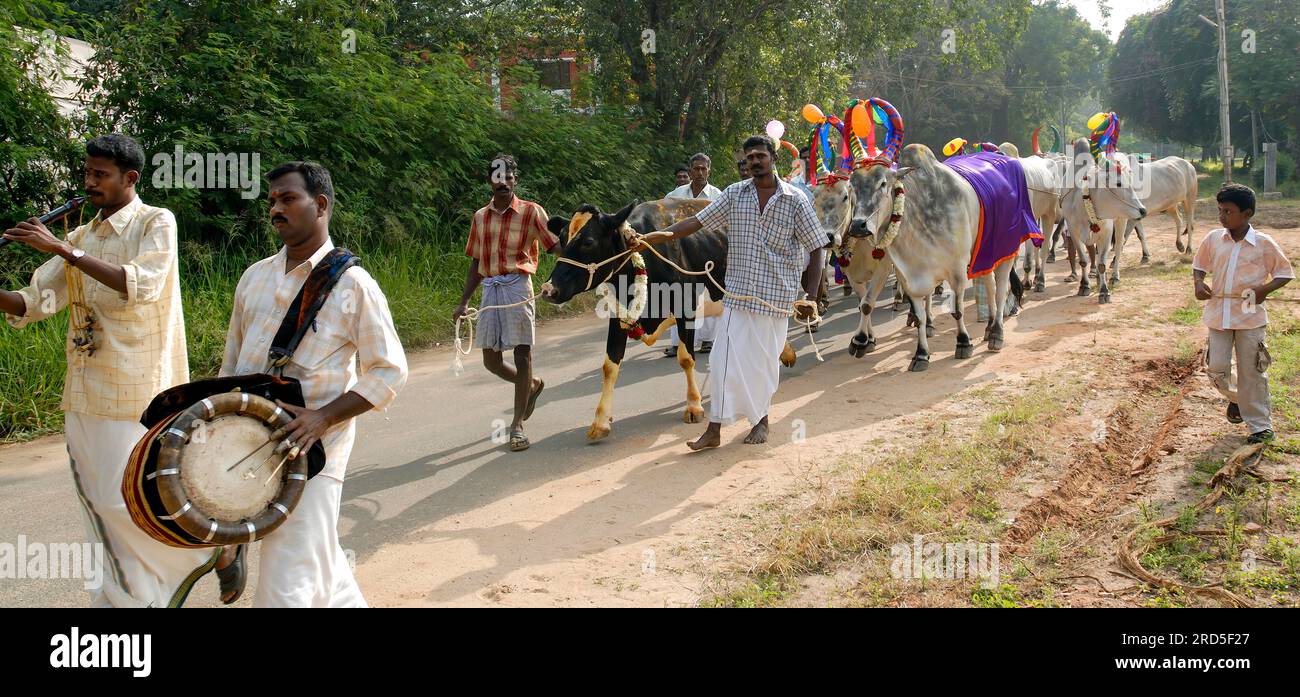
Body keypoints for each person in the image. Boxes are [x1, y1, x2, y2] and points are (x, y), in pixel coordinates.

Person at [1, 134, 211, 607]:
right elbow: (34, 303)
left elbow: (140, 284)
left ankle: (185, 566)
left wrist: (62, 249)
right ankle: (117, 596)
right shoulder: (81, 235)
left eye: (101, 174)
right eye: (87, 172)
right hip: (84, 386)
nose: (89, 182)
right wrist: (60, 252)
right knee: (93, 499)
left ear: (129, 179)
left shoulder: (156, 222)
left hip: (137, 388)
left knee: (126, 499)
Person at [215, 161, 408, 606]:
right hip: (250, 443)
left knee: (288, 575)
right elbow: (232, 364)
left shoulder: (353, 285)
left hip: (314, 453)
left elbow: (390, 369)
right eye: (272, 202)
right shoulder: (254, 277)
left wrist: (323, 418)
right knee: (321, 565)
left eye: (287, 199)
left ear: (319, 205)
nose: (275, 210)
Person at [638, 135, 824, 449]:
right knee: (723, 361)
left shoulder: (795, 198)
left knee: (762, 364)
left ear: (772, 159)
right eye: (749, 157)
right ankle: (714, 430)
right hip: (737, 293)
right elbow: (695, 223)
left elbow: (816, 245)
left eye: (760, 156)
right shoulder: (734, 194)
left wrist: (811, 295)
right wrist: (652, 238)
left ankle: (760, 420)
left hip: (775, 297)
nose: (754, 161)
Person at [453, 154, 559, 451]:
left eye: (508, 178)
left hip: (518, 287)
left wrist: (559, 282)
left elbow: (556, 248)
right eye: (498, 178)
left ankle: (517, 426)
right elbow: (476, 261)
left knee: (522, 355)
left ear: (515, 180)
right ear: (491, 181)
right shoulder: (480, 217)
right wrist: (463, 302)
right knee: (491, 360)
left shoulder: (532, 212)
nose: (503, 183)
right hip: (490, 289)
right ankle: (532, 386)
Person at [1193, 183, 1293, 444]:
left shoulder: (1263, 243)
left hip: (1250, 314)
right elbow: (1199, 264)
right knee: (1216, 369)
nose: (1222, 216)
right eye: (1220, 210)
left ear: (1247, 214)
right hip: (1218, 313)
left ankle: (1260, 426)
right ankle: (1237, 399)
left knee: (1252, 370)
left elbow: (1284, 273)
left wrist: (1264, 290)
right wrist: (1198, 283)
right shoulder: (1214, 238)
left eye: (1228, 211)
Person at [664, 153, 721, 357]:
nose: (699, 172)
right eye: (696, 169)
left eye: (703, 169)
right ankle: (679, 341)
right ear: (690, 171)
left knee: (710, 294)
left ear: (709, 170)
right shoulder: (675, 195)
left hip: (710, 250)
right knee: (678, 295)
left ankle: (708, 340)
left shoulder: (717, 195)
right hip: (681, 253)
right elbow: (665, 220)